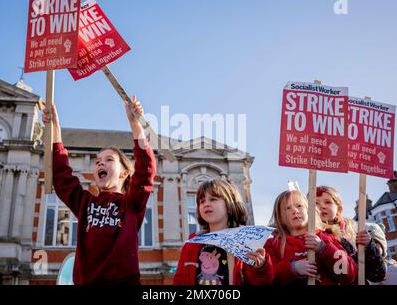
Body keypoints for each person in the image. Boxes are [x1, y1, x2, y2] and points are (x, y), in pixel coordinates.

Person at [42, 96, 156, 284]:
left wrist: (135, 123)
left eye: (109, 160)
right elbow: (62, 177)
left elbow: (145, 167)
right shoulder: (86, 203)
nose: (101, 162)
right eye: (97, 162)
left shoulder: (131, 204)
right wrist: (55, 128)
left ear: (124, 173)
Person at [173, 179, 274, 285]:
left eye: (213, 199)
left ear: (230, 206)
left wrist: (260, 268)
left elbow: (263, 281)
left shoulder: (246, 242)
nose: (206, 204)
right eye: (202, 201)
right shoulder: (191, 244)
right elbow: (179, 279)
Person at [265, 190, 357, 285]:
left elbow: (349, 274)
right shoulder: (273, 244)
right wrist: (292, 268)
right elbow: (267, 278)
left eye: (299, 206)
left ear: (309, 210)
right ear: (280, 217)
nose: (295, 210)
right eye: (288, 208)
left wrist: (324, 249)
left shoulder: (327, 239)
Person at [316, 185, 386, 283]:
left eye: (327, 202)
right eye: (315, 203)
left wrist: (369, 246)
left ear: (339, 209)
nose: (322, 206)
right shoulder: (309, 234)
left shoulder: (352, 234)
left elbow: (376, 275)